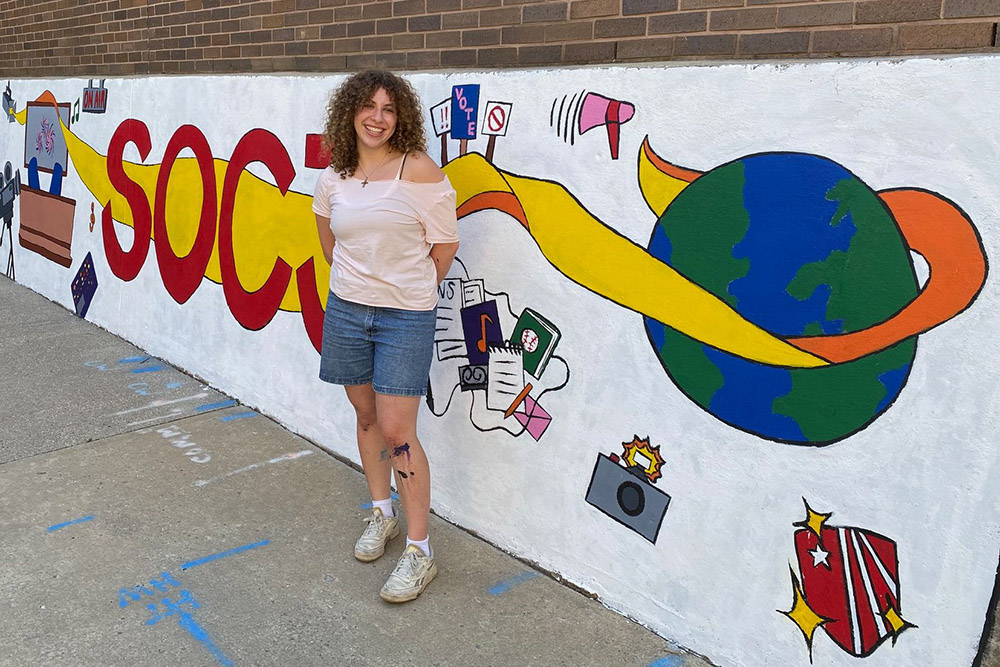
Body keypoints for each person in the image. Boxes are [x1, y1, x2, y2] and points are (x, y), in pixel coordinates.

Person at [312, 70, 459, 603]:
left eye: (389, 109)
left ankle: (420, 552)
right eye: (368, 106)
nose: (378, 117)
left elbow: (444, 246)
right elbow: (330, 244)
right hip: (349, 312)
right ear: (350, 112)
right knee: (367, 416)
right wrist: (362, 285)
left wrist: (405, 290)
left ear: (402, 118)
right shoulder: (334, 177)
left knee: (400, 430)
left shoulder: (417, 170)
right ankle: (382, 515)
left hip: (404, 317)